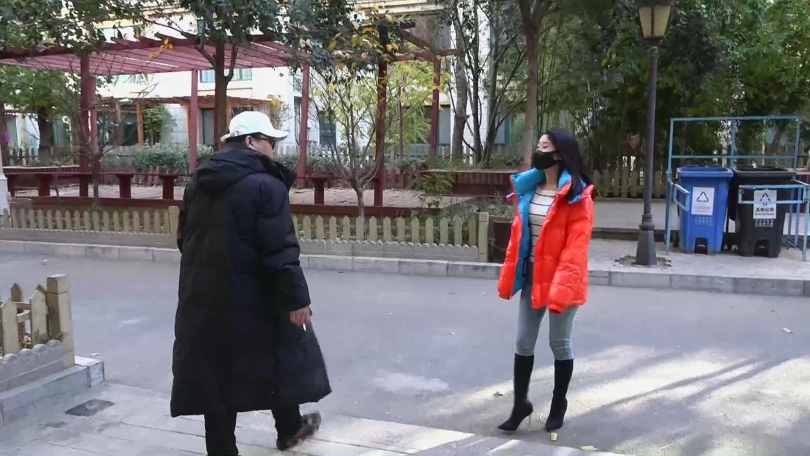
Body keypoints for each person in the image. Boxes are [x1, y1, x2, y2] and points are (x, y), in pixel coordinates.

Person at [171, 111, 325, 455]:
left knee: (215, 372)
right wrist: (296, 299)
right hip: (254, 296)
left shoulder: (198, 181)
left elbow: (184, 238)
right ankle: (289, 428)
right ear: (251, 141)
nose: (274, 149)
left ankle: (227, 449)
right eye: (270, 142)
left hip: (202, 296)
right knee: (279, 353)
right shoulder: (266, 185)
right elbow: (279, 250)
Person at [496, 130, 595, 433]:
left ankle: (558, 403)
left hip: (564, 278)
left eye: (545, 147)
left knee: (559, 343)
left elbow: (576, 249)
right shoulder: (531, 189)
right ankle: (520, 404)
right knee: (523, 342)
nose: (539, 151)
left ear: (560, 154)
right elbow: (522, 237)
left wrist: (560, 288)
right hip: (532, 275)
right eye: (538, 145)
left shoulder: (577, 196)